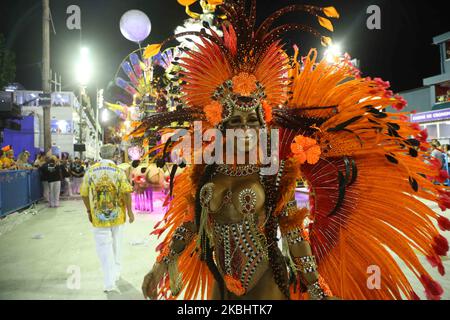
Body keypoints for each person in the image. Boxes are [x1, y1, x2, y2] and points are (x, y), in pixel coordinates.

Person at [137, 1, 448, 301]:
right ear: (220, 124)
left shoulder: (272, 170)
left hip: (267, 284)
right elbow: (192, 223)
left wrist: (315, 287)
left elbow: (293, 233)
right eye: (235, 121)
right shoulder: (207, 169)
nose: (245, 129)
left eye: (251, 121)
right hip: (219, 287)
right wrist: (161, 264)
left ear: (263, 124)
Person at [80, 144, 134, 292]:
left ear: (100, 154)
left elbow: (84, 194)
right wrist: (130, 212)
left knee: (104, 248)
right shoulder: (118, 171)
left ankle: (108, 281)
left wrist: (89, 211)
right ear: (114, 156)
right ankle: (116, 273)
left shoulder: (91, 171)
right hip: (118, 216)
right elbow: (127, 193)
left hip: (99, 217)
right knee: (117, 244)